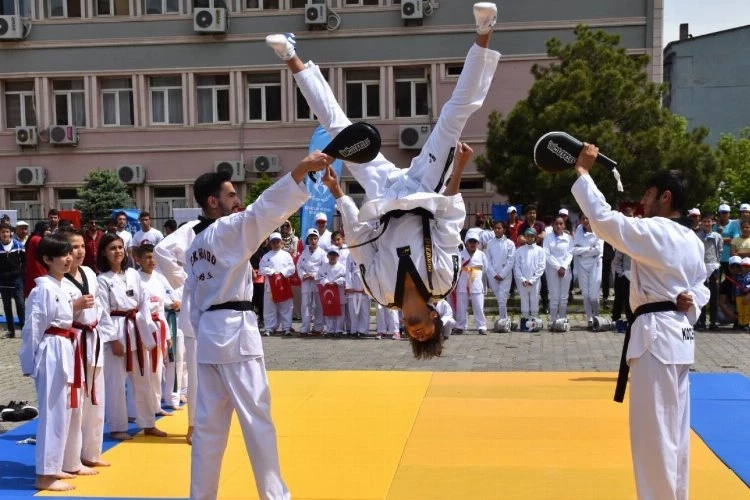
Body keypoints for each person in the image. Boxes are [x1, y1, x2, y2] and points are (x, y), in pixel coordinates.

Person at [269, 2, 501, 359]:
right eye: (427, 333)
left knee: (338, 130)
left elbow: (360, 240)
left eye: (414, 337)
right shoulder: (442, 281)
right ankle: (484, 32)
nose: (417, 331)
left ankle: (290, 54)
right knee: (455, 115)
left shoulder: (381, 293)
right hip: (424, 192)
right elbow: (450, 223)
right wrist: (458, 168)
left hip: (383, 198)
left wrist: (338, 193)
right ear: (437, 319)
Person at [185, 154, 330, 500]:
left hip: (208, 334)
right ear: (212, 202)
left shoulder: (194, 245)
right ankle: (274, 496)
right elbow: (263, 211)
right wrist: (300, 170)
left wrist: (205, 331)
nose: (238, 201)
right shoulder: (226, 229)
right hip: (235, 332)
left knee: (208, 428)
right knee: (257, 420)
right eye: (231, 195)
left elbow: (192, 301)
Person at [572, 143, 708, 500]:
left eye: (648, 194)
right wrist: (690, 302)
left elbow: (604, 221)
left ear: (665, 197)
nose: (643, 202)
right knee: (674, 436)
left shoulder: (657, 233)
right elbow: (700, 287)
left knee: (654, 437)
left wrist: (584, 174)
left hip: (656, 339)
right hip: (679, 337)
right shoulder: (691, 241)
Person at [19, 234, 76, 491]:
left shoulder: (60, 287)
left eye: (69, 253)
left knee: (62, 412)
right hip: (51, 349)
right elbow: (32, 328)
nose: (68, 258)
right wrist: (29, 363)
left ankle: (54, 466)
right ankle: (44, 474)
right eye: (62, 255)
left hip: (64, 347)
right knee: (52, 413)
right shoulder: (42, 290)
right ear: (46, 259)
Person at [96, 233, 164, 441]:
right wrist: (113, 339)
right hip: (117, 329)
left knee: (143, 379)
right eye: (112, 248)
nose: (117, 252)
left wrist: (146, 327)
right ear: (103, 253)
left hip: (135, 327)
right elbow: (102, 312)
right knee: (116, 381)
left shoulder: (133, 274)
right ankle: (117, 426)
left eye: (119, 247)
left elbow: (143, 302)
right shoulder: (102, 280)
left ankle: (148, 422)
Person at [60, 229, 113, 473]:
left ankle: (92, 453)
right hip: (73, 343)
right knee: (76, 404)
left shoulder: (90, 273)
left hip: (93, 339)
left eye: (82, 246)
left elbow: (101, 307)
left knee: (96, 399)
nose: (79, 251)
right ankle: (71, 461)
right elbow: (52, 315)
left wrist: (108, 333)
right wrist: (74, 306)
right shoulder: (57, 280)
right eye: (73, 247)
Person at [153, 217, 201, 444]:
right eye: (230, 195)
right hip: (196, 314)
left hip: (227, 315)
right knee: (195, 374)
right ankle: (194, 425)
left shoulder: (230, 226)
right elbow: (161, 250)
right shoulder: (193, 228)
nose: (234, 201)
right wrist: (186, 279)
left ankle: (217, 424)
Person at [259, 232, 296, 336]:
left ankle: (287, 327)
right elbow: (261, 269)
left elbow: (292, 268)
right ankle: (269, 328)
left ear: (281, 242)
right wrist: (272, 273)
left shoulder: (286, 255)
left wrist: (282, 273)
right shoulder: (266, 256)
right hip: (270, 287)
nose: (275, 244)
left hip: (283, 285)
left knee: (286, 307)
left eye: (277, 241)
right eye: (273, 242)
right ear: (270, 243)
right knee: (270, 308)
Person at [572, 214, 604, 329]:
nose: (585, 221)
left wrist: (583, 250)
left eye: (587, 218)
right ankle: (590, 318)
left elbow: (598, 250)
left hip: (595, 264)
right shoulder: (579, 229)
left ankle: (597, 317)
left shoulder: (598, 229)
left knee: (594, 296)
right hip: (581, 264)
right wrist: (589, 249)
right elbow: (574, 250)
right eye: (583, 218)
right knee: (585, 295)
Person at [455, 229, 489, 334]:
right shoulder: (460, 254)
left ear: (478, 243)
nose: (472, 244)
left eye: (475, 242)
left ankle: (481, 326)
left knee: (478, 305)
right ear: (466, 242)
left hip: (476, 282)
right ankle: (460, 326)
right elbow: (456, 268)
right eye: (470, 241)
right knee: (461, 306)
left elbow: (485, 268)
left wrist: (475, 275)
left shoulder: (481, 254)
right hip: (463, 281)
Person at [543, 216, 573, 327]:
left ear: (564, 225)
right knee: (554, 296)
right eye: (557, 223)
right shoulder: (548, 238)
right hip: (552, 270)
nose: (559, 226)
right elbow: (546, 254)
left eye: (561, 223)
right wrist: (557, 267)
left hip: (565, 270)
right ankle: (553, 320)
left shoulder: (569, 238)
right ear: (553, 225)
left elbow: (570, 253)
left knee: (564, 297)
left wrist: (563, 266)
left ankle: (562, 319)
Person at [695, 214, 722, 330]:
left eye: (709, 221)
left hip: (714, 267)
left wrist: (715, 263)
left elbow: (719, 251)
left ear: (713, 223)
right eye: (705, 221)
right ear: (701, 222)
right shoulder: (696, 236)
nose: (707, 223)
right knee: (701, 295)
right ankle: (701, 322)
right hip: (701, 267)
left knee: (714, 295)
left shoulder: (717, 236)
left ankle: (713, 322)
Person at [514, 228, 546, 327]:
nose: (529, 238)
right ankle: (525, 318)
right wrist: (522, 279)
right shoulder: (519, 250)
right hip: (522, 281)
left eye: (532, 236)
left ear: (535, 237)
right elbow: (517, 266)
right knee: (524, 299)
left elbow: (541, 266)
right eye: (527, 236)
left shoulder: (540, 250)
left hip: (535, 281)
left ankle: (534, 318)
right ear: (525, 237)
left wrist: (533, 280)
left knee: (534, 298)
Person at [297, 228, 326, 336]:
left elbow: (325, 267)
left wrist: (314, 275)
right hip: (306, 281)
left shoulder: (323, 253)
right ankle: (305, 328)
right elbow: (299, 266)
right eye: (311, 238)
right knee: (305, 305)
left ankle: (318, 328)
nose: (313, 241)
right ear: (308, 240)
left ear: (318, 239)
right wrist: (304, 275)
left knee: (318, 305)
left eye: (315, 238)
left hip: (317, 281)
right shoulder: (304, 252)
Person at [486, 220, 515, 322]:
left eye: (499, 228)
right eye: (495, 228)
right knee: (499, 298)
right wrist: (494, 274)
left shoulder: (510, 243)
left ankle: (503, 320)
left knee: (503, 298)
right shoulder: (490, 243)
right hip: (493, 275)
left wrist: (502, 274)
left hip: (505, 275)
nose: (497, 230)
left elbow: (511, 260)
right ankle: (505, 319)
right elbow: (487, 260)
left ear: (504, 229)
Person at [0, 222, 25, 338]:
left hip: (16, 280)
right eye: (2, 232)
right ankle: (11, 331)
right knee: (7, 306)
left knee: (20, 305)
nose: (5, 234)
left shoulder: (18, 245)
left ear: (11, 233)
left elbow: (24, 262)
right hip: (3, 281)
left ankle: (24, 329)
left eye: (7, 231)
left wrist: (21, 274)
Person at [318, 247, 347, 337]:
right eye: (331, 254)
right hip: (327, 293)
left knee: (340, 312)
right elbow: (320, 276)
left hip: (339, 292)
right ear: (327, 256)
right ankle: (330, 330)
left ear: (338, 256)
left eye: (334, 254)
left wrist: (337, 282)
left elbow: (345, 277)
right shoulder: (323, 267)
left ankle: (339, 330)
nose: (332, 256)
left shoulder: (342, 267)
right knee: (328, 311)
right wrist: (326, 282)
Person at [346, 252, 370, 338]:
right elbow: (347, 270)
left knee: (364, 311)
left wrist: (367, 287)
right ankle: (354, 330)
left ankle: (364, 330)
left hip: (364, 289)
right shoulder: (350, 255)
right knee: (353, 312)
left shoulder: (366, 253)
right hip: (353, 289)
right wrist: (349, 286)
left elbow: (369, 272)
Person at [24, 221, 51, 297]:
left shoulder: (34, 238)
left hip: (35, 269)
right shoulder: (37, 239)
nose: (48, 232)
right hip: (38, 270)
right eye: (47, 230)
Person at [714, 204, 739, 278]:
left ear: (729, 214)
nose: (724, 214)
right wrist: (728, 239)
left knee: (730, 280)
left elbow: (735, 240)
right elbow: (714, 240)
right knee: (716, 281)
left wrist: (719, 239)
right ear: (720, 214)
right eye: (722, 212)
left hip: (730, 258)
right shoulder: (715, 225)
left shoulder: (734, 224)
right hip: (718, 258)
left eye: (726, 212)